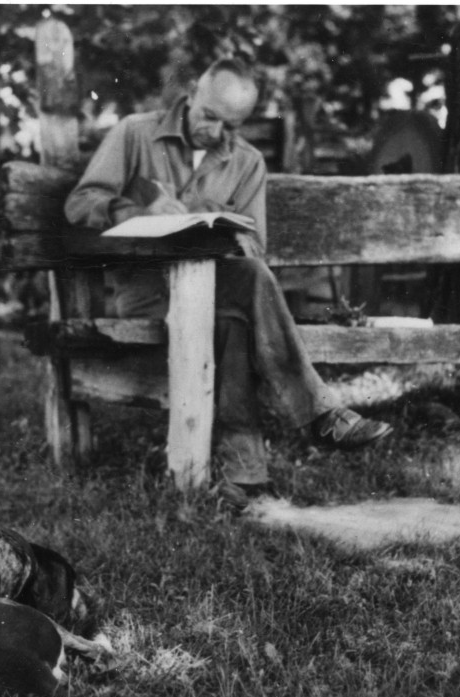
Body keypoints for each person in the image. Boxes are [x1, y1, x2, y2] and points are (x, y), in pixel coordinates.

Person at [65, 58, 392, 509]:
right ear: (194, 92)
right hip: (146, 294)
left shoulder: (247, 162)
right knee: (233, 324)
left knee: (243, 296)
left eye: (231, 125)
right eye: (210, 116)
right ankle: (309, 424)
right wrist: (131, 210)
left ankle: (245, 482)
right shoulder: (135, 134)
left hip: (213, 289)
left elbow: (255, 249)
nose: (216, 132)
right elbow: (81, 202)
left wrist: (231, 233)